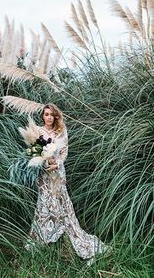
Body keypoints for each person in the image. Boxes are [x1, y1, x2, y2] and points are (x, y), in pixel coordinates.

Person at [25, 103, 111, 264]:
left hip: (58, 172)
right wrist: (44, 162)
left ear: (56, 116)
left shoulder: (61, 131)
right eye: (46, 114)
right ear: (42, 116)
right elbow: (33, 151)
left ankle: (66, 234)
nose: (49, 117)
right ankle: (43, 239)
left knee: (60, 202)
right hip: (44, 174)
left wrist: (56, 163)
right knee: (44, 202)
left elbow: (65, 152)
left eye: (51, 114)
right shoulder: (38, 131)